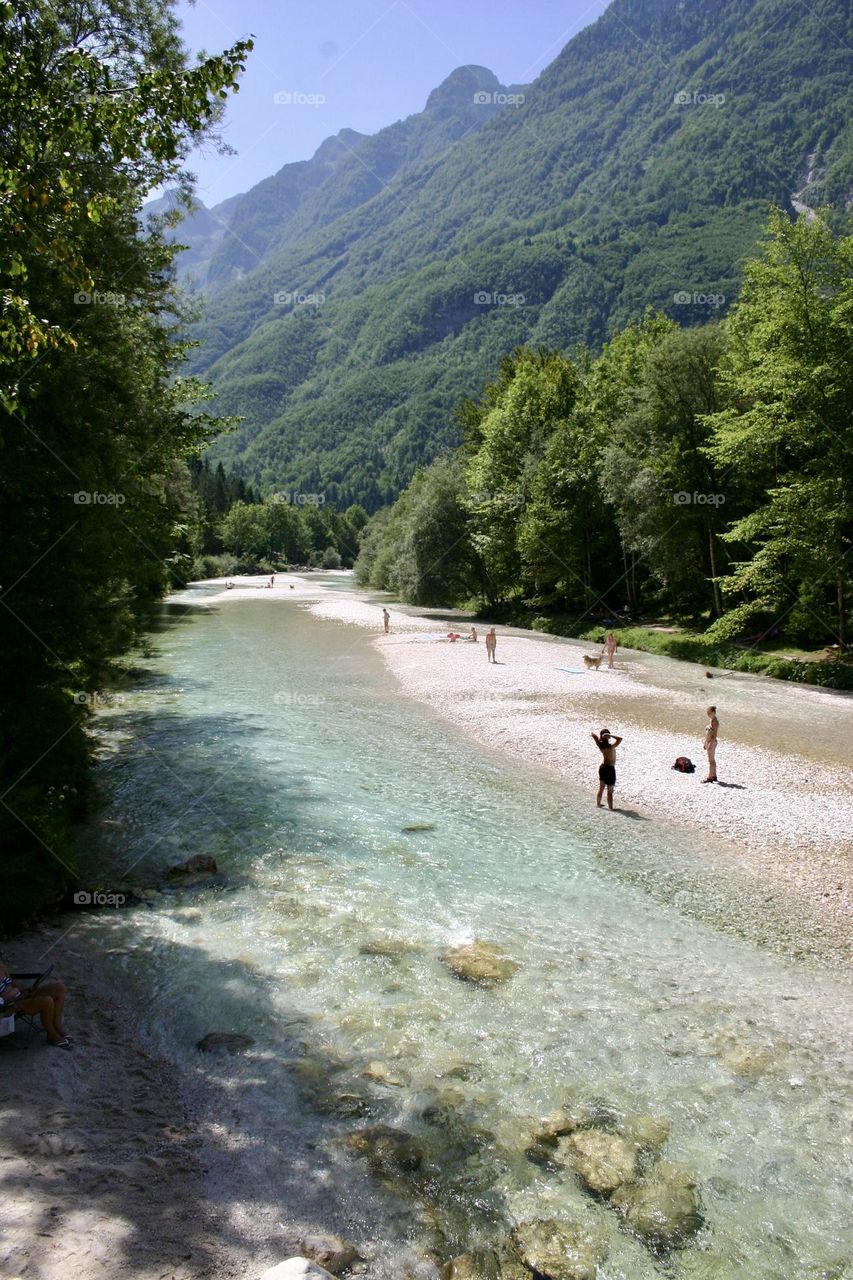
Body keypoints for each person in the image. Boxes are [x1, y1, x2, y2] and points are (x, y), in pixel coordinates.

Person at [0, 962, 71, 1049]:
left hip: (20, 996)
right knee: (46, 1001)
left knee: (60, 988)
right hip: (8, 1006)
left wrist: (24, 990)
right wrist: (9, 998)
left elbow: (11, 982)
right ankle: (51, 1035)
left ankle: (57, 1026)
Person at [591, 727, 623, 810]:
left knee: (601, 788)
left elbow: (594, 736)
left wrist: (600, 736)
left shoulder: (600, 745)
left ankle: (598, 805)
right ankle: (611, 809)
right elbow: (620, 739)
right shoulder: (611, 747)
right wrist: (610, 735)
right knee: (610, 790)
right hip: (610, 769)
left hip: (603, 768)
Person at [702, 706, 719, 782]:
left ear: (713, 713)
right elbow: (708, 733)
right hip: (709, 741)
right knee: (712, 760)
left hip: (712, 742)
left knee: (711, 760)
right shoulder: (711, 720)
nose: (708, 714)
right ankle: (714, 776)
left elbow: (714, 734)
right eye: (707, 713)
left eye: (709, 713)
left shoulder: (715, 721)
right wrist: (705, 742)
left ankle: (709, 777)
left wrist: (710, 744)